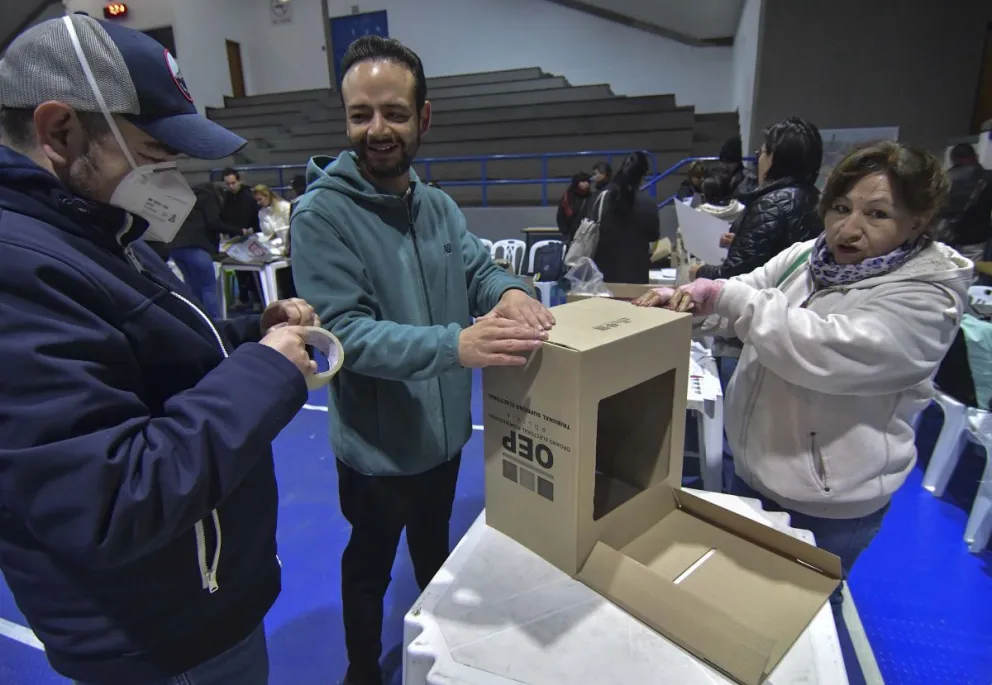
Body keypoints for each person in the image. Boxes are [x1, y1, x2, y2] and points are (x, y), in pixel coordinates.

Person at [0, 14, 322, 685]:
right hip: (159, 644)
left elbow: (146, 360)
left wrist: (246, 335)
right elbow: (112, 495)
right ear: (60, 130)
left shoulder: (97, 229)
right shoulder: (18, 268)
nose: (170, 176)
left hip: (198, 603)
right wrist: (266, 370)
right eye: (153, 154)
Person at [633, 142, 970, 662]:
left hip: (829, 499)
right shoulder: (807, 258)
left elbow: (825, 348)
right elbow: (744, 291)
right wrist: (694, 302)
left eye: (877, 214)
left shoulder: (927, 295)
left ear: (919, 220)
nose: (849, 228)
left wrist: (730, 300)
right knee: (747, 609)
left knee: (806, 629)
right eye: (841, 208)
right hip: (757, 471)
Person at [290, 35, 554, 685]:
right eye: (360, 114)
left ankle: (438, 658)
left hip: (442, 440)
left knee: (438, 557)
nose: (376, 129)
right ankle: (361, 669)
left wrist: (512, 290)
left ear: (423, 117)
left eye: (393, 113)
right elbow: (346, 332)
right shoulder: (320, 215)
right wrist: (454, 345)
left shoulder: (437, 207)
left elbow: (477, 271)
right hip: (377, 451)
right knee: (371, 566)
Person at [695, 117, 825, 282]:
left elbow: (736, 275)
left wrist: (700, 272)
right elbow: (783, 251)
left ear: (775, 158)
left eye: (760, 153)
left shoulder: (771, 203)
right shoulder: (816, 199)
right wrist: (744, 242)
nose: (758, 161)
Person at [590, 150, 661, 284]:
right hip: (636, 275)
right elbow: (653, 235)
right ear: (643, 176)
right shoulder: (648, 203)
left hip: (604, 275)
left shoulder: (603, 198)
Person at [169, 182, 228, 318]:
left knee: (192, 288)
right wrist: (237, 230)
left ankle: (198, 322)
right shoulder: (208, 197)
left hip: (176, 247)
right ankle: (216, 323)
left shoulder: (186, 197)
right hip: (197, 247)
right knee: (208, 288)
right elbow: (213, 222)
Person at [940, 142, 992, 266]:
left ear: (954, 159)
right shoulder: (988, 177)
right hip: (975, 237)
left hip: (946, 235)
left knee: (946, 269)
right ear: (976, 156)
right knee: (971, 271)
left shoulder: (946, 177)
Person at [556, 171, 592, 241]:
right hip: (572, 236)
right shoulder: (567, 198)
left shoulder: (592, 197)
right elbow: (561, 216)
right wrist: (566, 233)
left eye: (588, 181)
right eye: (583, 181)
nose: (586, 184)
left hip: (588, 236)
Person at [253, 183, 291, 248]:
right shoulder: (261, 213)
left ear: (268, 196)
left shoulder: (285, 207)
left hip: (290, 246)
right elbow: (267, 235)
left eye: (260, 199)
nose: (258, 203)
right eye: (257, 200)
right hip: (275, 248)